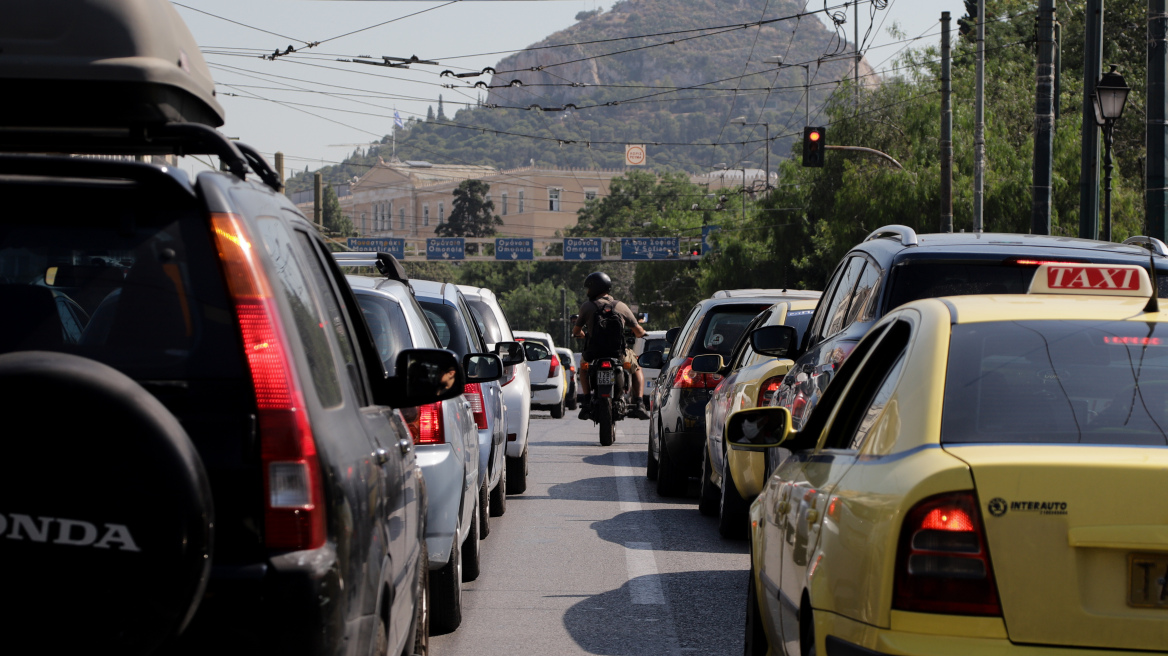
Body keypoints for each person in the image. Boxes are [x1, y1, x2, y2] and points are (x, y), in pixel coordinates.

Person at [572, 271, 650, 420]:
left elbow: (576, 331)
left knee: (582, 369)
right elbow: (638, 331)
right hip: (618, 353)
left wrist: (582, 335)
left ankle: (587, 400)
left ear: (594, 288)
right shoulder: (620, 306)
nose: (587, 291)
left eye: (588, 288)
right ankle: (639, 403)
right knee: (636, 369)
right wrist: (642, 333)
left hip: (593, 354)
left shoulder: (587, 306)